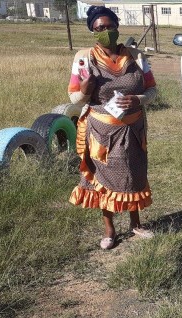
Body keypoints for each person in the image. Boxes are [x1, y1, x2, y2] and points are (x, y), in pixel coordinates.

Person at [68, 6, 158, 249]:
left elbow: (152, 90)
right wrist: (86, 88)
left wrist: (138, 99)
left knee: (135, 174)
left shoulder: (136, 56)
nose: (105, 31)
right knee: (104, 178)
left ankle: (136, 224)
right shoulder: (84, 59)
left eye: (109, 27)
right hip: (102, 130)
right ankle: (109, 229)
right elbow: (74, 97)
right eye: (99, 28)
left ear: (117, 27)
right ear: (92, 31)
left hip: (134, 127)